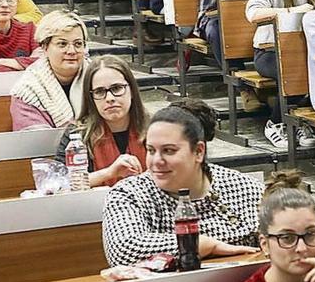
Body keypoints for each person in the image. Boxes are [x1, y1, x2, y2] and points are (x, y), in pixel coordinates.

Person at [102, 101, 263, 267]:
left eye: (169, 150)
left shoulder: (243, 187)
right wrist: (200, 245)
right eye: (151, 150)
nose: (157, 161)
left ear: (199, 152)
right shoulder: (128, 194)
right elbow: (123, 251)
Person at [245, 0, 315, 148]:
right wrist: (292, 12)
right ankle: (276, 123)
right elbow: (253, 13)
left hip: (305, 50)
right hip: (268, 52)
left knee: (314, 67)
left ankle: (297, 122)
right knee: (293, 70)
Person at [55, 56, 149, 187]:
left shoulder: (155, 128)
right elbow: (59, 183)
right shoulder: (77, 134)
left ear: (132, 90)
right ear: (91, 98)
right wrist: (109, 173)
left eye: (116, 88)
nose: (109, 98)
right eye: (99, 92)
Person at [10, 10, 90, 131]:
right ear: (45, 47)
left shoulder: (99, 77)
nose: (72, 51)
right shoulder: (26, 92)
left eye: (78, 44)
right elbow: (37, 143)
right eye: (62, 44)